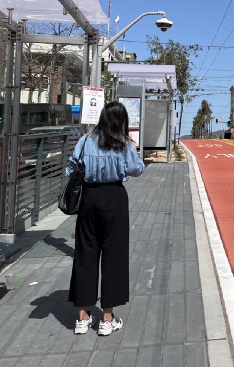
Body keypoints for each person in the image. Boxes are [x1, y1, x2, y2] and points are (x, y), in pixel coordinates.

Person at [68, 100, 144, 336]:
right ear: (121, 122)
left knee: (85, 254)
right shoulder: (123, 145)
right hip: (114, 198)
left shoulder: (85, 140)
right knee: (114, 256)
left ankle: (82, 317)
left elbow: (71, 169)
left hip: (88, 199)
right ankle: (107, 319)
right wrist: (132, 147)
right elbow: (138, 169)